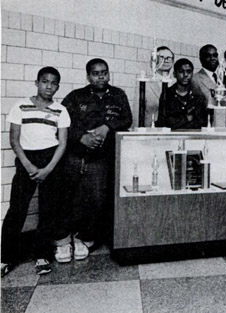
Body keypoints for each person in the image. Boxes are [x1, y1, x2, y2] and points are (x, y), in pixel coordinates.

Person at [56, 58, 132, 262]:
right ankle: (63, 241)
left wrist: (107, 127)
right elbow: (62, 123)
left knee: (96, 200)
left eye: (104, 72)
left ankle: (84, 238)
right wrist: (82, 137)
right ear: (88, 76)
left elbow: (127, 119)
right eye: (96, 73)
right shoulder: (75, 97)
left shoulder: (118, 95)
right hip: (74, 156)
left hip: (102, 159)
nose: (101, 76)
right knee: (67, 198)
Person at [1, 67, 70, 276]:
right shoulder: (20, 106)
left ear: (58, 86)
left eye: (54, 83)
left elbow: (62, 143)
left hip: (51, 161)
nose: (49, 86)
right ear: (37, 83)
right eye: (45, 82)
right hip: (26, 159)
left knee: (48, 210)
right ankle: (5, 257)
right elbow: (14, 139)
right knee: (17, 210)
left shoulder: (61, 110)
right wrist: (28, 165)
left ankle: (42, 256)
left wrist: (48, 169)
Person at [156, 59, 207, 129]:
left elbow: (201, 123)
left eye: (189, 72)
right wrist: (186, 118)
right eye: (181, 71)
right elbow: (162, 122)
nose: (185, 75)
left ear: (192, 73)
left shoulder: (198, 95)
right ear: (174, 74)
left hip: (192, 137)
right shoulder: (167, 94)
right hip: (171, 137)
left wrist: (177, 120)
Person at [145, 46, 176, 127]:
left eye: (169, 58)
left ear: (173, 62)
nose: (165, 60)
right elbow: (137, 112)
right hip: (150, 130)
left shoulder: (177, 83)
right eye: (161, 57)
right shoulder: (145, 83)